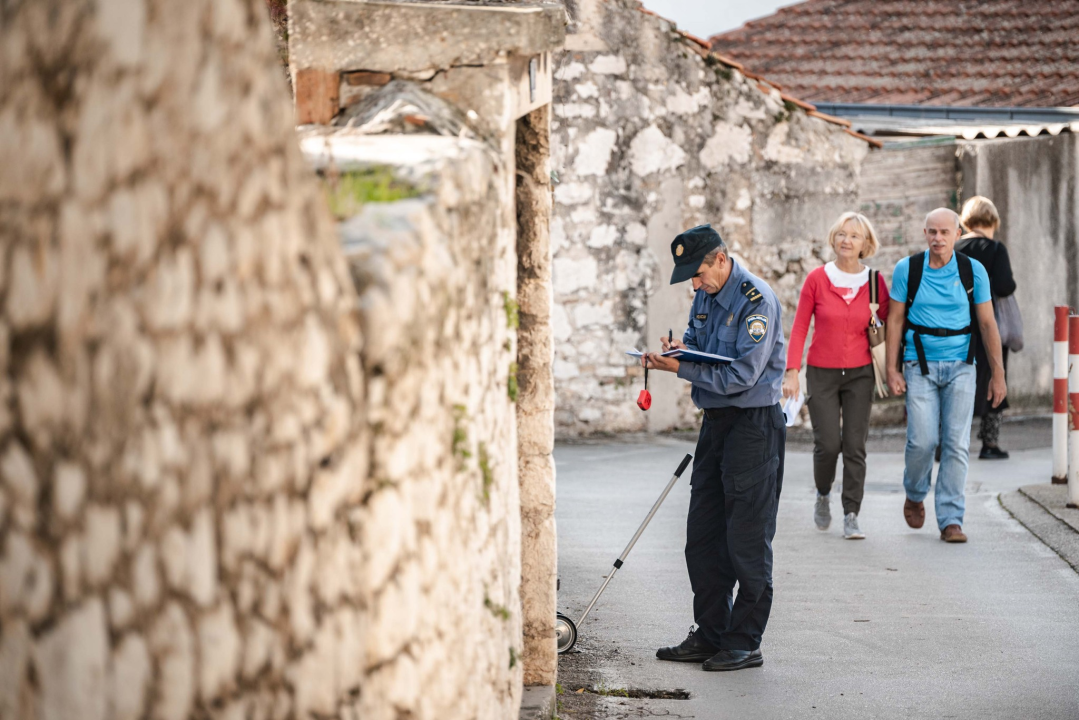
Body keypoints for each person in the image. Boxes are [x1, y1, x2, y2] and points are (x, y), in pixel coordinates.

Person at [642, 224, 785, 672]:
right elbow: (703, 347)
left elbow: (741, 376)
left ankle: (744, 641)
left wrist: (679, 371)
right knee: (702, 537)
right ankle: (711, 633)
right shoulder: (706, 294)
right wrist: (681, 352)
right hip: (716, 424)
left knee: (746, 539)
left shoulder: (756, 301)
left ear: (720, 259)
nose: (694, 284)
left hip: (753, 426)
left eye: (698, 273)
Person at [885, 209, 1007, 544]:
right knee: (922, 440)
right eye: (932, 232)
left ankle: (951, 518)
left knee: (956, 443)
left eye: (944, 232)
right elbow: (895, 320)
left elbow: (987, 324)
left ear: (957, 233)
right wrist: (891, 368)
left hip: (962, 366)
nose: (938, 238)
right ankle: (915, 492)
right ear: (925, 233)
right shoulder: (907, 269)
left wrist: (998, 374)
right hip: (918, 364)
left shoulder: (973, 271)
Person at [783, 212, 889, 539]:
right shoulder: (817, 279)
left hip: (860, 373)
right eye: (842, 234)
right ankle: (823, 493)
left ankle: (852, 513)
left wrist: (894, 369)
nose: (847, 240)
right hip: (821, 372)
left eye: (854, 236)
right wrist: (792, 370)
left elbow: (887, 327)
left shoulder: (875, 282)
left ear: (865, 244)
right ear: (834, 238)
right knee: (828, 444)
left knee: (855, 445)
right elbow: (800, 326)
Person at [956, 196, 1016, 460]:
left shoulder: (953, 247)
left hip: (957, 326)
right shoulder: (995, 249)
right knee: (995, 377)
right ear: (993, 220)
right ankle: (989, 444)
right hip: (989, 324)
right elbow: (1005, 286)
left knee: (956, 381)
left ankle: (946, 442)